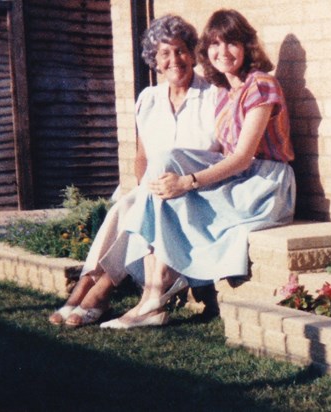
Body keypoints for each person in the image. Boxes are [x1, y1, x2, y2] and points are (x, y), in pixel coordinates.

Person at [99, 8, 296, 329]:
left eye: (232, 43)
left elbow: (243, 157)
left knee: (170, 188)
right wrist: (173, 180)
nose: (223, 52)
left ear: (247, 46)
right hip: (239, 180)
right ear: (207, 51)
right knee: (163, 167)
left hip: (264, 184)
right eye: (215, 45)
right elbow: (216, 154)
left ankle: (149, 300)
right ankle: (152, 298)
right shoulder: (226, 93)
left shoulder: (260, 85)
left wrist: (187, 183)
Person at [48, 14, 220, 327]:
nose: (174, 60)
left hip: (195, 196)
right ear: (154, 59)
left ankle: (94, 291)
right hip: (155, 197)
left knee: (130, 205)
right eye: (164, 53)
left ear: (193, 52)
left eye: (180, 50)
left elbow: (219, 157)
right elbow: (142, 157)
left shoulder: (213, 97)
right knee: (132, 202)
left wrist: (176, 186)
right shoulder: (148, 99)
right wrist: (147, 192)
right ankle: (90, 290)